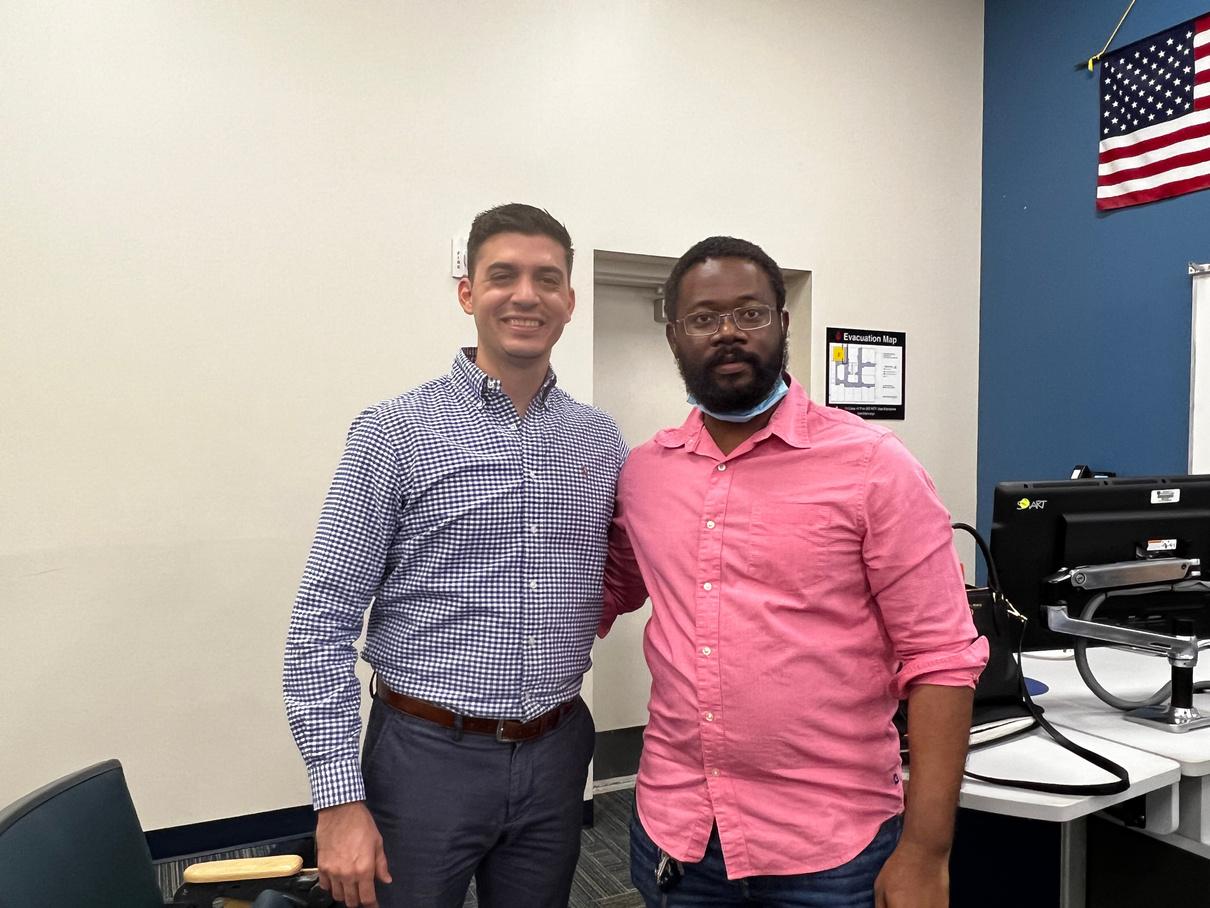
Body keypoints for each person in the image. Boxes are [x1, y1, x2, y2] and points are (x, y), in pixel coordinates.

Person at [600, 236, 988, 908]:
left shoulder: (874, 466)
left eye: (749, 312)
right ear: (673, 335)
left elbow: (942, 658)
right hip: (677, 830)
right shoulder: (644, 474)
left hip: (830, 846)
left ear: (781, 322)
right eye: (702, 317)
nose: (727, 331)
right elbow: (606, 589)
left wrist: (927, 851)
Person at [283, 203, 627, 908]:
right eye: (503, 276)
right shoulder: (394, 431)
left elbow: (626, 568)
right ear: (468, 293)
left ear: (570, 300)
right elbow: (320, 623)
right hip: (424, 759)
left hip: (558, 750)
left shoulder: (600, 441)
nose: (526, 295)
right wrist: (337, 800)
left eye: (547, 278)